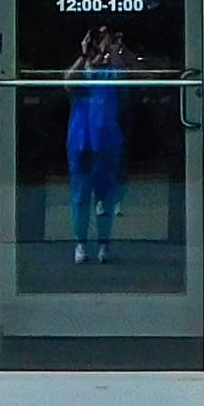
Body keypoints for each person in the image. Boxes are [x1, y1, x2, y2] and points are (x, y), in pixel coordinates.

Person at [64, 24, 128, 263]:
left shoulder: (110, 73)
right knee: (80, 195)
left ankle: (104, 244)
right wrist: (84, 56)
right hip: (81, 141)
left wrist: (111, 49)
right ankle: (80, 243)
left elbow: (125, 75)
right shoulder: (82, 72)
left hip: (107, 141)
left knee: (104, 196)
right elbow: (67, 82)